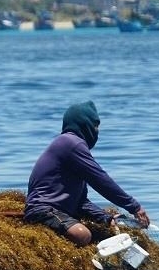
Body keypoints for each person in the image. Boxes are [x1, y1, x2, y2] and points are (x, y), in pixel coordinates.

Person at [24, 100, 150, 247]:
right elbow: (100, 180)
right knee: (83, 235)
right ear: (83, 124)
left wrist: (105, 218)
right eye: (95, 126)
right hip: (43, 210)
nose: (97, 131)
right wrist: (134, 207)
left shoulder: (70, 144)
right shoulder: (71, 143)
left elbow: (80, 201)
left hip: (58, 211)